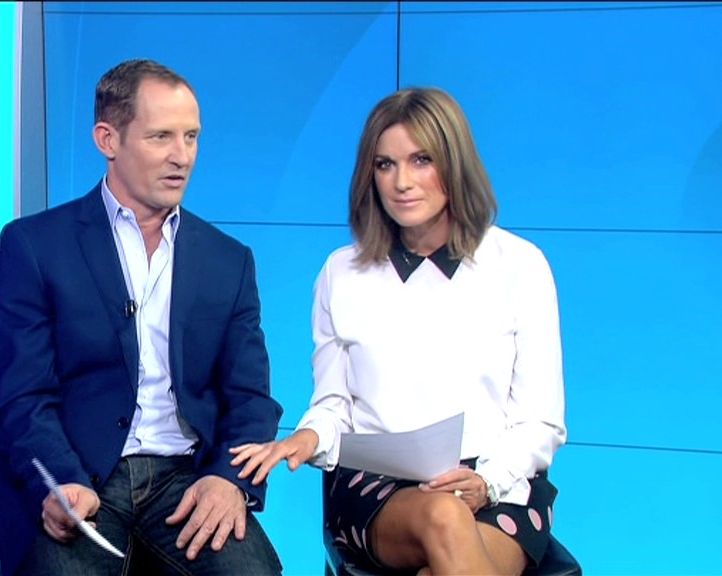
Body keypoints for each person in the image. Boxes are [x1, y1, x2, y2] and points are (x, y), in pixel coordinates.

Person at [231, 87, 567, 576]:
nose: (402, 182)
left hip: (497, 485)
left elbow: (540, 421)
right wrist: (308, 437)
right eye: (385, 165)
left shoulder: (520, 265)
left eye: (421, 160)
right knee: (444, 517)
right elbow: (335, 405)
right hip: (376, 489)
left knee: (445, 550)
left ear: (454, 163)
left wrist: (488, 482)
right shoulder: (341, 272)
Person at [0, 58, 283, 576]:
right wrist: (60, 480)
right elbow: (21, 396)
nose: (181, 156)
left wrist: (229, 480)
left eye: (191, 137)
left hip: (186, 477)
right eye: (161, 136)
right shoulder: (34, 246)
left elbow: (250, 399)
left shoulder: (228, 260)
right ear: (108, 139)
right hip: (81, 471)